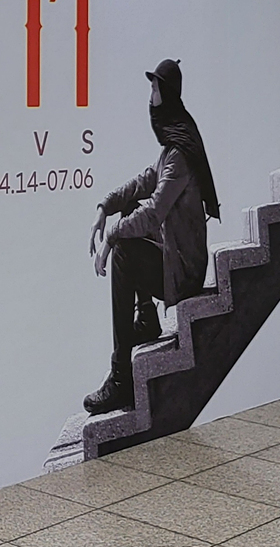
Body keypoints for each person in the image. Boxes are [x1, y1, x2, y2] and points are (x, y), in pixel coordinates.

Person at [83, 59, 220, 415]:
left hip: (184, 272)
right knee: (128, 208)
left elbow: (155, 212)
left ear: (167, 95)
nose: (150, 95)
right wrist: (104, 207)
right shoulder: (171, 150)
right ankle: (146, 318)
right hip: (176, 258)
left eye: (155, 88)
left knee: (125, 252)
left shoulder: (179, 156)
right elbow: (142, 182)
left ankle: (121, 377)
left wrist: (111, 237)